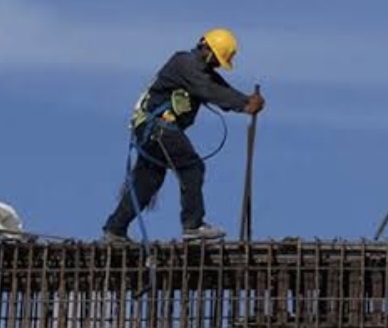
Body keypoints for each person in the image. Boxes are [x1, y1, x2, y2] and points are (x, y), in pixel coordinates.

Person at [102, 28, 266, 244]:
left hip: (150, 131)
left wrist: (246, 100)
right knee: (192, 167)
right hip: (159, 128)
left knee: (146, 183)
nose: (217, 66)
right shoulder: (184, 63)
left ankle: (115, 229)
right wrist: (244, 104)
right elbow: (208, 89)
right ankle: (193, 225)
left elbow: (217, 86)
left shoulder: (198, 70)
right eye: (217, 60)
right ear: (207, 51)